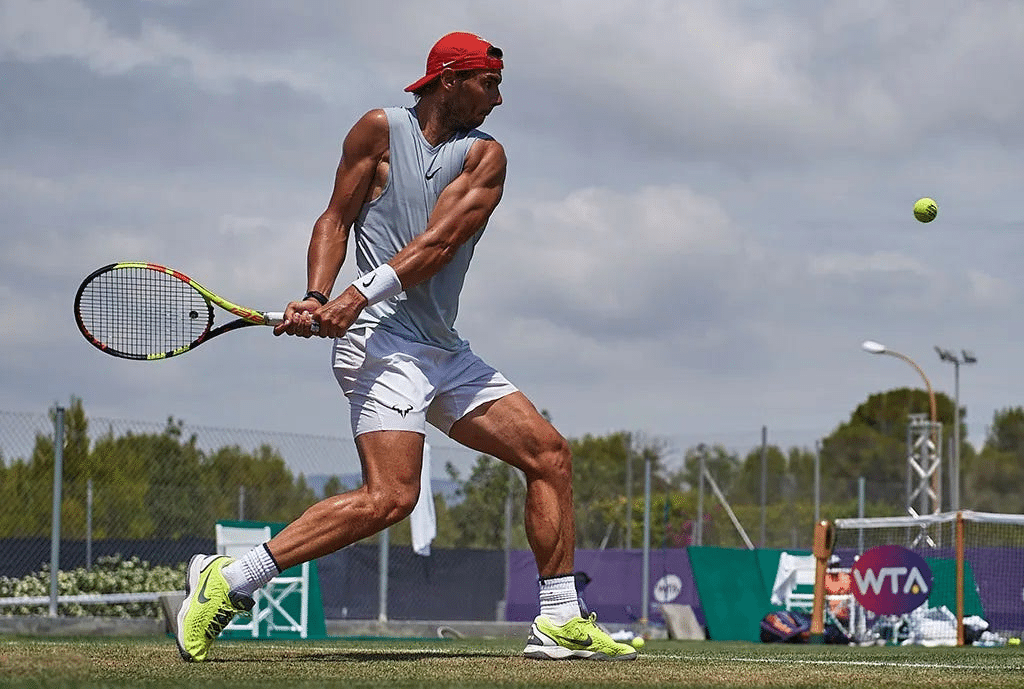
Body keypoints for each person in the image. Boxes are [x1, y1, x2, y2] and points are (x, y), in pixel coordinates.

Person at [174, 31, 637, 663]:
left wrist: (354, 294)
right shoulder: (375, 132)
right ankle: (228, 580)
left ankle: (559, 617)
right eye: (488, 83)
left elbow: (439, 245)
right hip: (378, 345)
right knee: (392, 497)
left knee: (549, 457)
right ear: (450, 79)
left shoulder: (486, 157)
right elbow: (334, 219)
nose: (498, 99)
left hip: (440, 346)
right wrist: (315, 295)